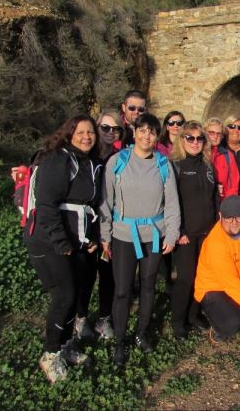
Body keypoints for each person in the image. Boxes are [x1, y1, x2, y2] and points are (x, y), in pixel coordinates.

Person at [24, 114, 102, 384]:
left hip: (73, 241)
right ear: (69, 134)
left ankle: (66, 343)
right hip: (48, 241)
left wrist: (88, 239)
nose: (86, 137)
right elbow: (46, 206)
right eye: (80, 132)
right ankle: (50, 353)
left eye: (90, 132)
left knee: (77, 292)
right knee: (65, 296)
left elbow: (86, 208)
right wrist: (61, 243)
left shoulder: (86, 162)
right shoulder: (59, 160)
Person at [100, 113, 180, 366]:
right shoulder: (118, 161)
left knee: (147, 287)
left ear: (158, 137)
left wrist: (173, 233)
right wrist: (104, 235)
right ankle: (120, 341)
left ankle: (141, 333)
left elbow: (172, 204)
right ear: (134, 132)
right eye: (142, 130)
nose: (147, 136)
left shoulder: (163, 165)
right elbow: (106, 201)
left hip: (153, 236)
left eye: (152, 132)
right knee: (122, 291)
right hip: (123, 235)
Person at [70, 110, 124, 341]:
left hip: (110, 225)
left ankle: (104, 318)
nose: (111, 133)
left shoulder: (120, 157)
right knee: (85, 274)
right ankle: (80, 318)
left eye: (116, 129)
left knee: (108, 272)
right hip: (87, 227)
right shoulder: (85, 157)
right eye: (105, 128)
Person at [169, 121, 217, 339]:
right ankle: (177, 321)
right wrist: (178, 231)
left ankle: (193, 314)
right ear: (182, 139)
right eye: (190, 137)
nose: (195, 142)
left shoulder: (207, 165)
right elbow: (170, 202)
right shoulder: (175, 166)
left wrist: (216, 226)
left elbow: (214, 197)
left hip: (206, 232)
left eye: (199, 138)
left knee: (201, 277)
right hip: (185, 234)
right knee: (185, 278)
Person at [194, 195, 240, 342]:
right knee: (233, 324)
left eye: (238, 218)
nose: (234, 223)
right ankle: (218, 324)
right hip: (213, 288)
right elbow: (232, 285)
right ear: (220, 217)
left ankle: (239, 306)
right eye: (228, 218)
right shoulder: (216, 243)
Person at [206, 117, 240, 199]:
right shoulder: (198, 153)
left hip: (222, 201)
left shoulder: (228, 155)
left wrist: (228, 206)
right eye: (211, 133)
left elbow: (234, 185)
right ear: (205, 133)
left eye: (219, 133)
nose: (215, 136)